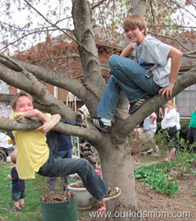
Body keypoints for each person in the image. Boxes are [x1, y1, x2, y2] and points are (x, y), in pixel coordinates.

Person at [10, 92, 121, 201]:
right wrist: (42, 118)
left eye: (29, 104)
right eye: (21, 106)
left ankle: (81, 125)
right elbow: (35, 112)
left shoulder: (34, 120)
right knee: (83, 164)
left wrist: (50, 123)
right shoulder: (15, 119)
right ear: (14, 109)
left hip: (48, 152)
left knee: (58, 123)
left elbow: (57, 116)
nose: (27, 108)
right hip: (45, 164)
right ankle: (103, 193)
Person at [88, 14, 183, 132]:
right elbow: (131, 47)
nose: (129, 33)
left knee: (113, 59)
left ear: (142, 29)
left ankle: (138, 98)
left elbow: (177, 54)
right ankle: (104, 120)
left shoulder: (150, 43)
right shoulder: (138, 43)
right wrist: (121, 63)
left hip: (154, 82)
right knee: (114, 79)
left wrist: (171, 83)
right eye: (127, 31)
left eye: (133, 29)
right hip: (147, 81)